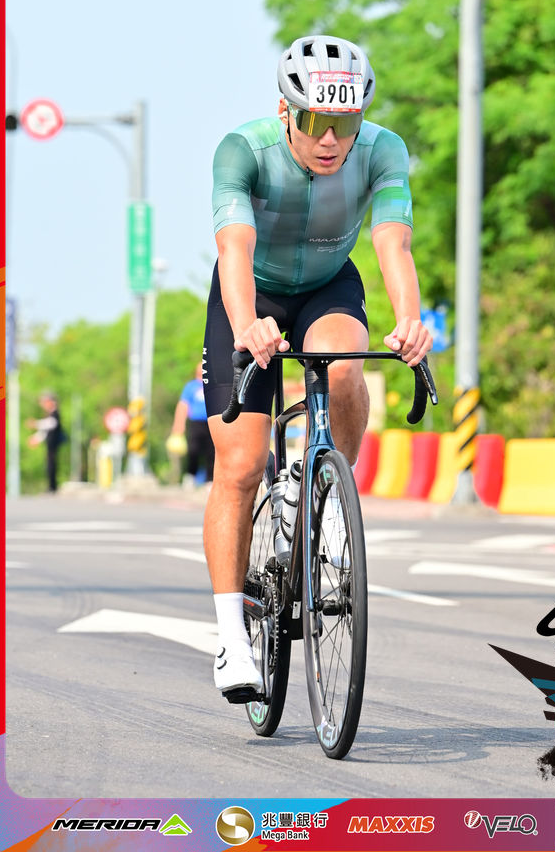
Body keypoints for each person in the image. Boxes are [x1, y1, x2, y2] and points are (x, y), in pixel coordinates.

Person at [202, 34, 432, 702]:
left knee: (343, 367)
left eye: (345, 122)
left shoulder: (383, 149)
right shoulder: (243, 151)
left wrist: (410, 319)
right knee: (241, 465)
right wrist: (246, 325)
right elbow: (234, 247)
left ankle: (322, 488)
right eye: (314, 121)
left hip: (329, 284)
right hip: (252, 291)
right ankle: (232, 638)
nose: (331, 140)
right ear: (286, 110)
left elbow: (392, 241)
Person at [168, 362, 214, 486]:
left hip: (211, 422)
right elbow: (183, 405)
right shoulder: (191, 386)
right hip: (196, 422)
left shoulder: (212, 384)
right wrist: (179, 424)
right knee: (193, 449)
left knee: (211, 451)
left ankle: (210, 479)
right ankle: (190, 475)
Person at [26, 390, 66, 493]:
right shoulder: (49, 414)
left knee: (52, 464)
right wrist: (36, 438)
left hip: (54, 444)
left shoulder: (55, 414)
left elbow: (51, 424)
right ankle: (51, 485)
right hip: (49, 444)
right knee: (49, 464)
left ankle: (53, 486)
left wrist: (35, 423)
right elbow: (45, 432)